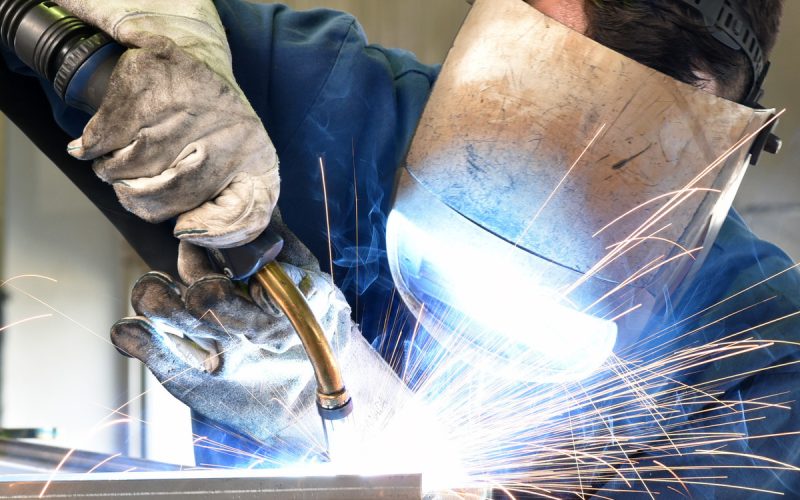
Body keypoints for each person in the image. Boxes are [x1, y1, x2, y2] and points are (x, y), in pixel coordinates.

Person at [2, 0, 798, 496]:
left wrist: (382, 434)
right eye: (542, 117)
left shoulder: (761, 345)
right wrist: (174, 36)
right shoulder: (329, 104)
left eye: (629, 158)